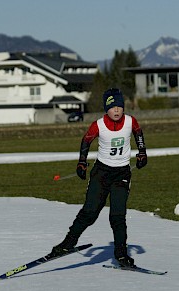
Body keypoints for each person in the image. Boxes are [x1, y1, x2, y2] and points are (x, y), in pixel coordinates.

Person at [50, 88, 147, 267]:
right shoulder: (99, 124)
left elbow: (138, 133)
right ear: (106, 109)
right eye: (112, 107)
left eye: (119, 107)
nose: (116, 110)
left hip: (122, 174)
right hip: (101, 173)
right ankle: (67, 244)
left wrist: (142, 153)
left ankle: (121, 254)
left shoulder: (131, 121)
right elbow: (86, 141)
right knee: (90, 213)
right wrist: (81, 163)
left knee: (118, 216)